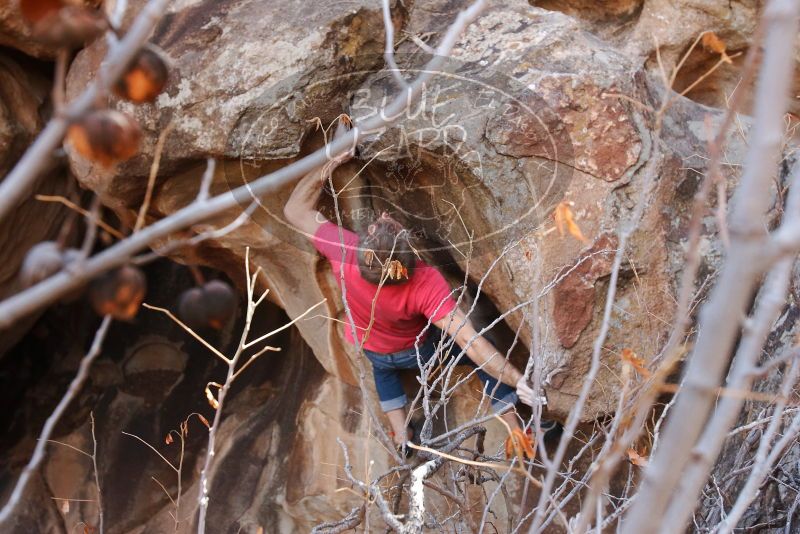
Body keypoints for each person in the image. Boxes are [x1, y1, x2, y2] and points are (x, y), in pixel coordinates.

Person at [283, 158, 537, 451]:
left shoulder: (345, 252)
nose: (384, 215)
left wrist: (332, 157)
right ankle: (517, 430)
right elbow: (472, 343)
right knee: (481, 345)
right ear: (408, 258)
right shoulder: (424, 282)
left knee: (383, 373)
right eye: (387, 224)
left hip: (373, 348)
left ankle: (402, 437)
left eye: (380, 224)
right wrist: (517, 379)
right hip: (418, 352)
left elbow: (295, 210)